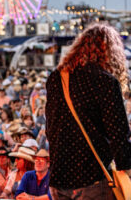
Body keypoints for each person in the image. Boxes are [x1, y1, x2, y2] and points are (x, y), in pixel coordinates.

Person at [46, 23, 131, 198]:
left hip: (59, 178)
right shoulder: (105, 81)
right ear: (110, 52)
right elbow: (118, 134)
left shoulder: (56, 78)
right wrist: (126, 168)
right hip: (91, 179)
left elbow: (50, 128)